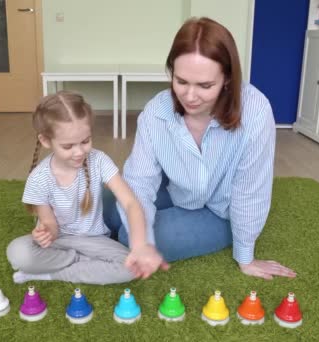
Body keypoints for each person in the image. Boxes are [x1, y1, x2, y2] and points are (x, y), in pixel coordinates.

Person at [103, 17, 296, 280]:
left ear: (227, 78)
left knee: (127, 234)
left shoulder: (255, 111)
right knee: (107, 207)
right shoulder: (155, 111)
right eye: (181, 82)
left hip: (220, 211)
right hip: (180, 191)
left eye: (205, 86)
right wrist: (142, 241)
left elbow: (250, 190)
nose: (190, 96)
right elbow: (139, 181)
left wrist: (246, 256)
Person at [7, 91, 167, 285]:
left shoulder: (99, 161)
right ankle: (83, 263)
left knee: (131, 268)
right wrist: (46, 233)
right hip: (60, 242)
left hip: (95, 240)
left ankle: (50, 274)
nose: (79, 152)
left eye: (85, 141)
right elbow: (51, 225)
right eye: (68, 146)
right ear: (46, 141)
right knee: (18, 252)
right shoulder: (38, 179)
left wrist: (141, 245)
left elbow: (131, 202)